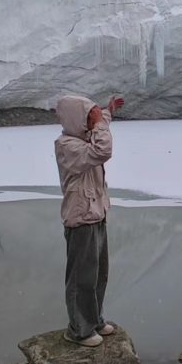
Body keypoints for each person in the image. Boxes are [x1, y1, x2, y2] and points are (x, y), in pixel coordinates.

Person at [54, 94, 124, 347]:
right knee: (81, 278)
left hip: (96, 214)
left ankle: (93, 320)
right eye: (89, 114)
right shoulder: (67, 146)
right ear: (77, 118)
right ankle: (78, 329)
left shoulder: (82, 138)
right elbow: (102, 150)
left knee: (97, 275)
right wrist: (100, 122)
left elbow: (98, 125)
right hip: (81, 218)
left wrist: (107, 112)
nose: (93, 119)